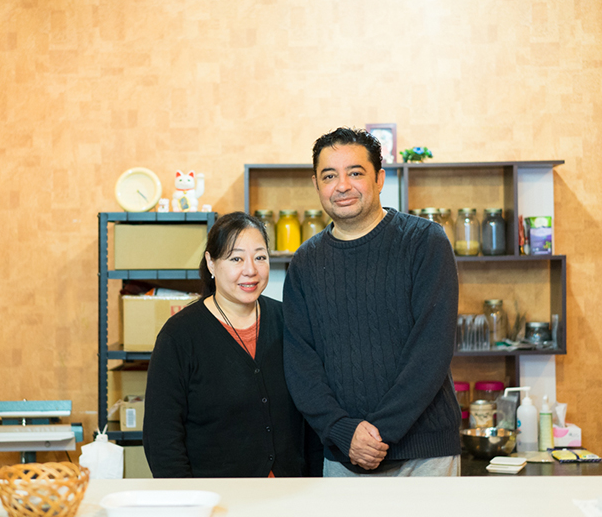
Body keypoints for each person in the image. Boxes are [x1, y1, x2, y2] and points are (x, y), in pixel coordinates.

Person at [282, 127, 461, 477]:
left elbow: (432, 349)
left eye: (355, 173)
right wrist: (345, 432)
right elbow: (301, 365)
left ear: (379, 179)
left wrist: (378, 435)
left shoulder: (425, 242)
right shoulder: (304, 263)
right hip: (344, 454)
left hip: (426, 456)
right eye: (329, 175)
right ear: (317, 185)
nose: (343, 185)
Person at [142, 212, 309, 477]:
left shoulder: (289, 321)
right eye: (236, 258)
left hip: (291, 495)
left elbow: (309, 413)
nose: (251, 270)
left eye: (260, 257)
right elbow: (162, 438)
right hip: (216, 499)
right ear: (211, 262)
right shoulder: (179, 336)